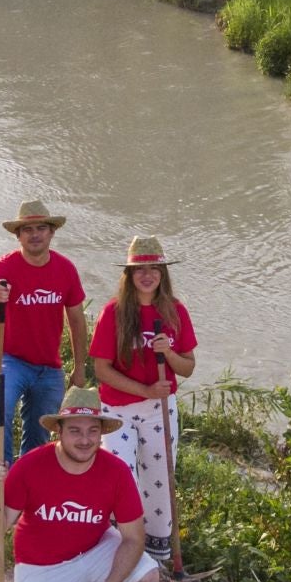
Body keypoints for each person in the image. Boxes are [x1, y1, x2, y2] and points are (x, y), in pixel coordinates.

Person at [0, 387, 161, 582]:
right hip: (42, 564)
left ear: (102, 433)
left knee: (148, 580)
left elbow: (134, 538)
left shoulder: (116, 471)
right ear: (59, 431)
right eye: (75, 430)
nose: (85, 440)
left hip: (94, 549)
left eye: (92, 431)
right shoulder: (30, 466)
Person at [88, 235, 196, 563]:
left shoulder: (175, 311)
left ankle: (157, 552)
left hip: (159, 408)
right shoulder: (114, 312)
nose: (147, 275)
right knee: (121, 473)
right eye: (139, 270)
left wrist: (169, 354)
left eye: (154, 269)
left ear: (163, 273)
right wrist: (144, 390)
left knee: (160, 475)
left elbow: (188, 367)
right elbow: (101, 369)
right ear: (129, 275)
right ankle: (119, 544)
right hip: (118, 408)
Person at [0, 199, 87, 468]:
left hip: (48, 365)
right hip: (8, 357)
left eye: (41, 228)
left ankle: (27, 493)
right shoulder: (5, 267)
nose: (35, 234)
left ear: (52, 232)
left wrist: (79, 367)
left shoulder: (65, 269)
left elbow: (77, 320)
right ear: (18, 235)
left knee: (40, 433)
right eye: (28, 230)